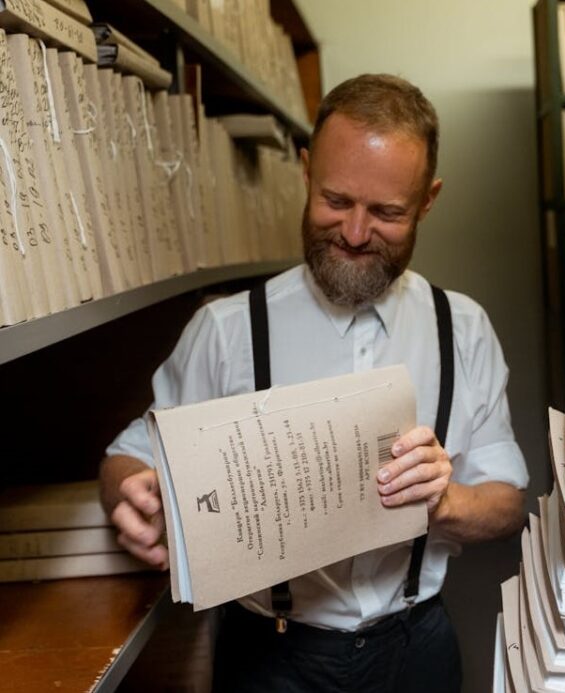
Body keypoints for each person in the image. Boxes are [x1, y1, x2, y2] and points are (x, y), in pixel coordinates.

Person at [99, 73, 529, 693]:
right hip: (268, 660)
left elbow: (508, 501)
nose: (354, 234)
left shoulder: (461, 327)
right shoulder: (225, 330)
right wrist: (131, 498)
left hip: (416, 651)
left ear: (428, 201)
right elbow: (127, 460)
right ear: (305, 171)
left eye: (387, 213)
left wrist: (444, 501)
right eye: (335, 201)